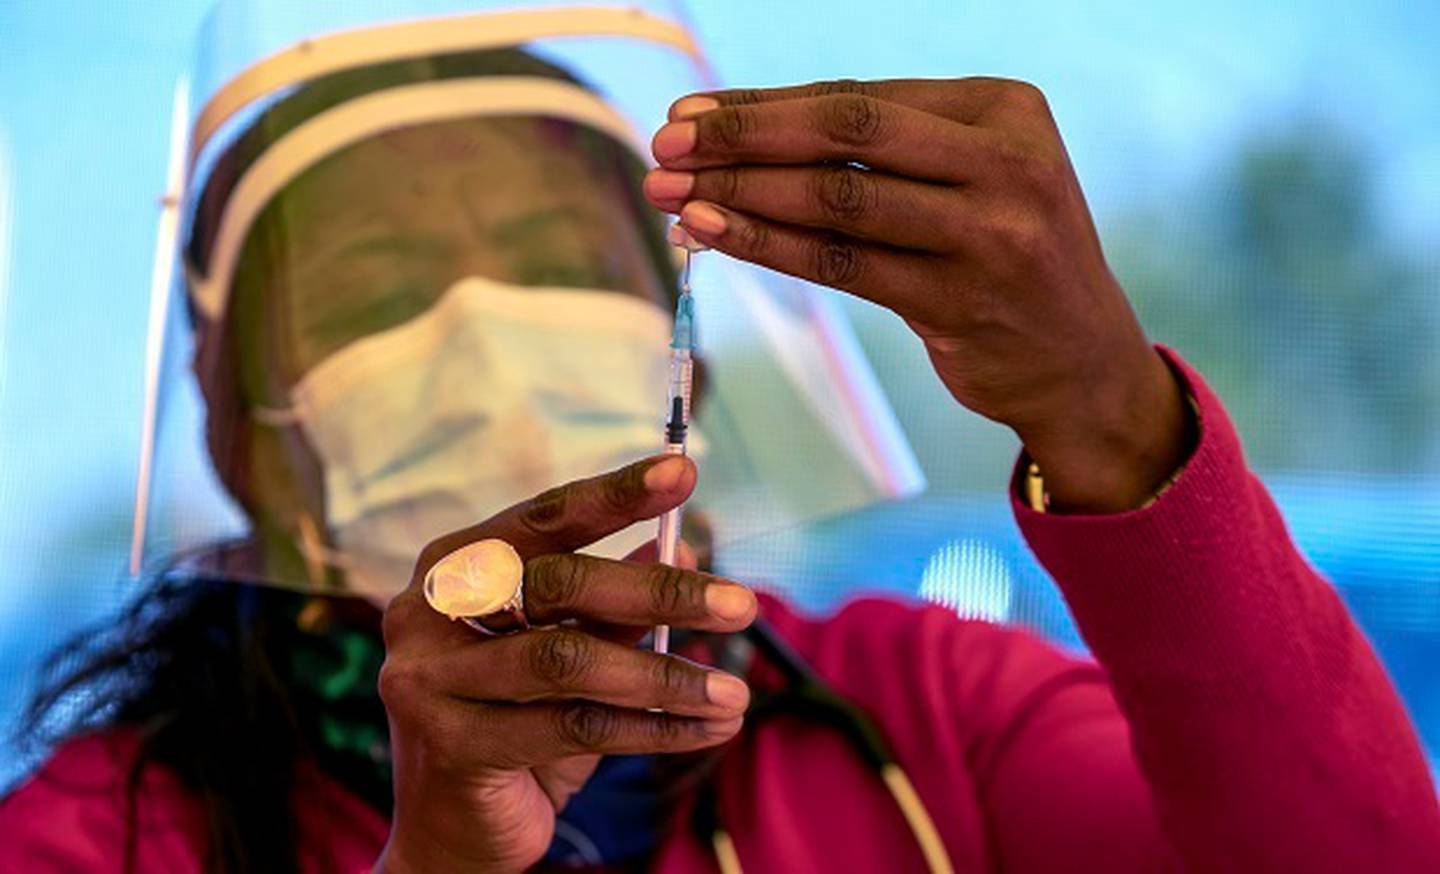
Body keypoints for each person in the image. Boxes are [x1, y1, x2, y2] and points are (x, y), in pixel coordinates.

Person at [2, 45, 1437, 874]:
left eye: (557, 261)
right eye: (381, 289)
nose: (488, 334)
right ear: (247, 434)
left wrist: (1114, 418)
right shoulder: (103, 832)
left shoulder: (924, 716)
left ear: (674, 348)